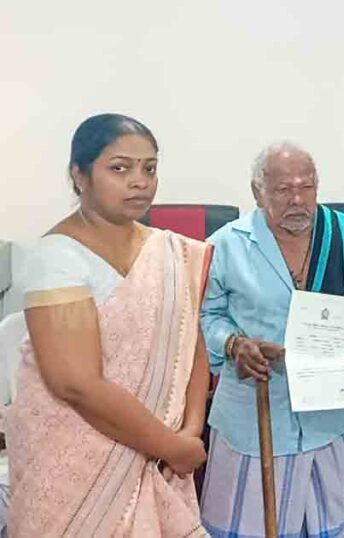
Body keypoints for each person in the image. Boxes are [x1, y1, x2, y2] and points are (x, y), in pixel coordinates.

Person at [6, 113, 210, 536]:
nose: (140, 182)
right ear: (78, 175)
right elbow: (75, 383)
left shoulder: (169, 253)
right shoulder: (56, 258)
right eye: (120, 168)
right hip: (74, 465)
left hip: (161, 460)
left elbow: (190, 343)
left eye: (149, 168)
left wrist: (190, 431)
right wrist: (171, 445)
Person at [199, 142, 344, 537]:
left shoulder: (341, 234)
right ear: (257, 192)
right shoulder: (227, 244)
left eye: (306, 187)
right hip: (255, 418)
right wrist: (233, 344)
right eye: (283, 189)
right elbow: (205, 316)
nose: (297, 200)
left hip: (324, 417)